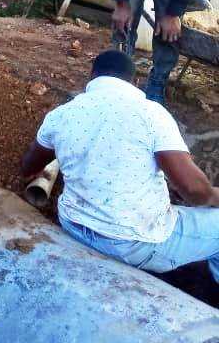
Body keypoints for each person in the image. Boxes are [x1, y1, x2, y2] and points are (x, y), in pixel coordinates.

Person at [21, 49, 219, 283]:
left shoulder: (61, 114)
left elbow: (28, 168)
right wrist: (214, 197)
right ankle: (207, 302)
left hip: (73, 225)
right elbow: (195, 191)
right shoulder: (151, 113)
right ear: (134, 81)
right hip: (131, 244)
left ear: (92, 76)